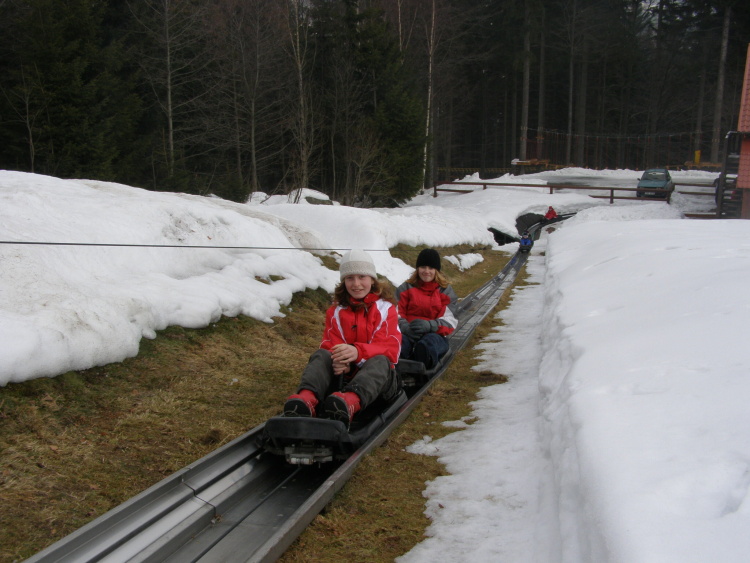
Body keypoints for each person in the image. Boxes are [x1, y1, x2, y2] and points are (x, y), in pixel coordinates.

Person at [283, 249, 402, 427]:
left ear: (372, 279)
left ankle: (350, 403)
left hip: (380, 382)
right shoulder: (336, 311)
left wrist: (357, 353)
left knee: (380, 360)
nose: (356, 284)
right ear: (344, 281)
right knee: (322, 355)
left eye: (362, 277)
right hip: (344, 377)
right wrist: (340, 360)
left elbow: (390, 348)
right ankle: (307, 399)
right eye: (350, 278)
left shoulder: (386, 309)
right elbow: (330, 343)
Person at [396, 248, 458, 369]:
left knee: (429, 343)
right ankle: (398, 364)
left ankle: (423, 361)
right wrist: (405, 327)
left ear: (436, 270)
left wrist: (431, 325)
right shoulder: (405, 289)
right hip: (409, 332)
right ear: (417, 269)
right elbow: (395, 314)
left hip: (434, 333)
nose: (426, 271)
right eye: (423, 267)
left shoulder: (445, 291)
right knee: (398, 341)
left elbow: (451, 320)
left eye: (431, 268)